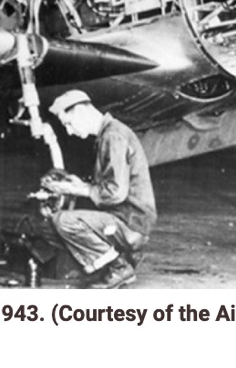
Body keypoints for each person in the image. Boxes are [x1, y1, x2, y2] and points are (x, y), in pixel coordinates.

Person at [40, 89, 156, 289]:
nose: (69, 131)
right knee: (52, 226)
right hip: (128, 219)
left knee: (63, 221)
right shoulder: (110, 133)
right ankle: (120, 257)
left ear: (79, 111)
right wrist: (78, 184)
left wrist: (78, 190)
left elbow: (115, 192)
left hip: (130, 222)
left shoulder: (113, 136)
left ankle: (118, 267)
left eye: (68, 123)